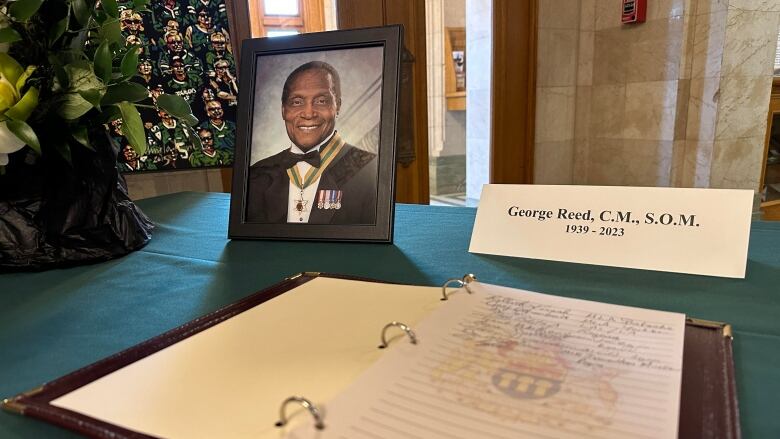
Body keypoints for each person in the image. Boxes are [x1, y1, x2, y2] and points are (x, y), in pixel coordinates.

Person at [246, 61, 378, 225]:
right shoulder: (256, 176)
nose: (308, 113)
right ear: (283, 110)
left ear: (337, 107)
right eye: (296, 102)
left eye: (321, 101)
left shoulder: (371, 170)